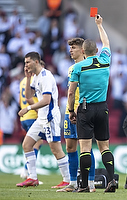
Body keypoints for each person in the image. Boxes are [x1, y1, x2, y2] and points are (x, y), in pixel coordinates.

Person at [67, 14, 116, 193]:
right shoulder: (105, 60)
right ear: (96, 50)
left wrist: (71, 110)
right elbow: (107, 43)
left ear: (83, 52)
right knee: (104, 147)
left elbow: (71, 92)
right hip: (102, 107)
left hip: (85, 109)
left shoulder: (78, 67)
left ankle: (84, 185)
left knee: (85, 148)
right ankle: (111, 181)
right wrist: (99, 25)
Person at [16, 52, 70, 187]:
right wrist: (28, 78)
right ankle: (32, 178)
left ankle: (68, 180)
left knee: (56, 149)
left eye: (27, 62)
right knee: (27, 145)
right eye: (24, 63)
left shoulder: (46, 76)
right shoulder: (35, 77)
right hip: (41, 118)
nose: (26, 65)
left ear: (36, 62)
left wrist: (28, 109)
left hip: (50, 118)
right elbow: (29, 96)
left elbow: (46, 100)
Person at [56, 38, 96, 192]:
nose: (71, 50)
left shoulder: (89, 67)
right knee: (70, 147)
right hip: (69, 111)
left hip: (83, 112)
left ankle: (91, 183)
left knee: (86, 147)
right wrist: (70, 109)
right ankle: (72, 183)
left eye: (74, 47)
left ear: (82, 50)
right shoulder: (71, 68)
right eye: (70, 47)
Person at [19, 61, 44, 180]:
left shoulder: (23, 81)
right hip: (33, 115)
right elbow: (30, 99)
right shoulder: (35, 80)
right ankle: (27, 171)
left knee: (30, 143)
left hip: (23, 117)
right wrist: (39, 111)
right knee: (36, 144)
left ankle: (28, 172)